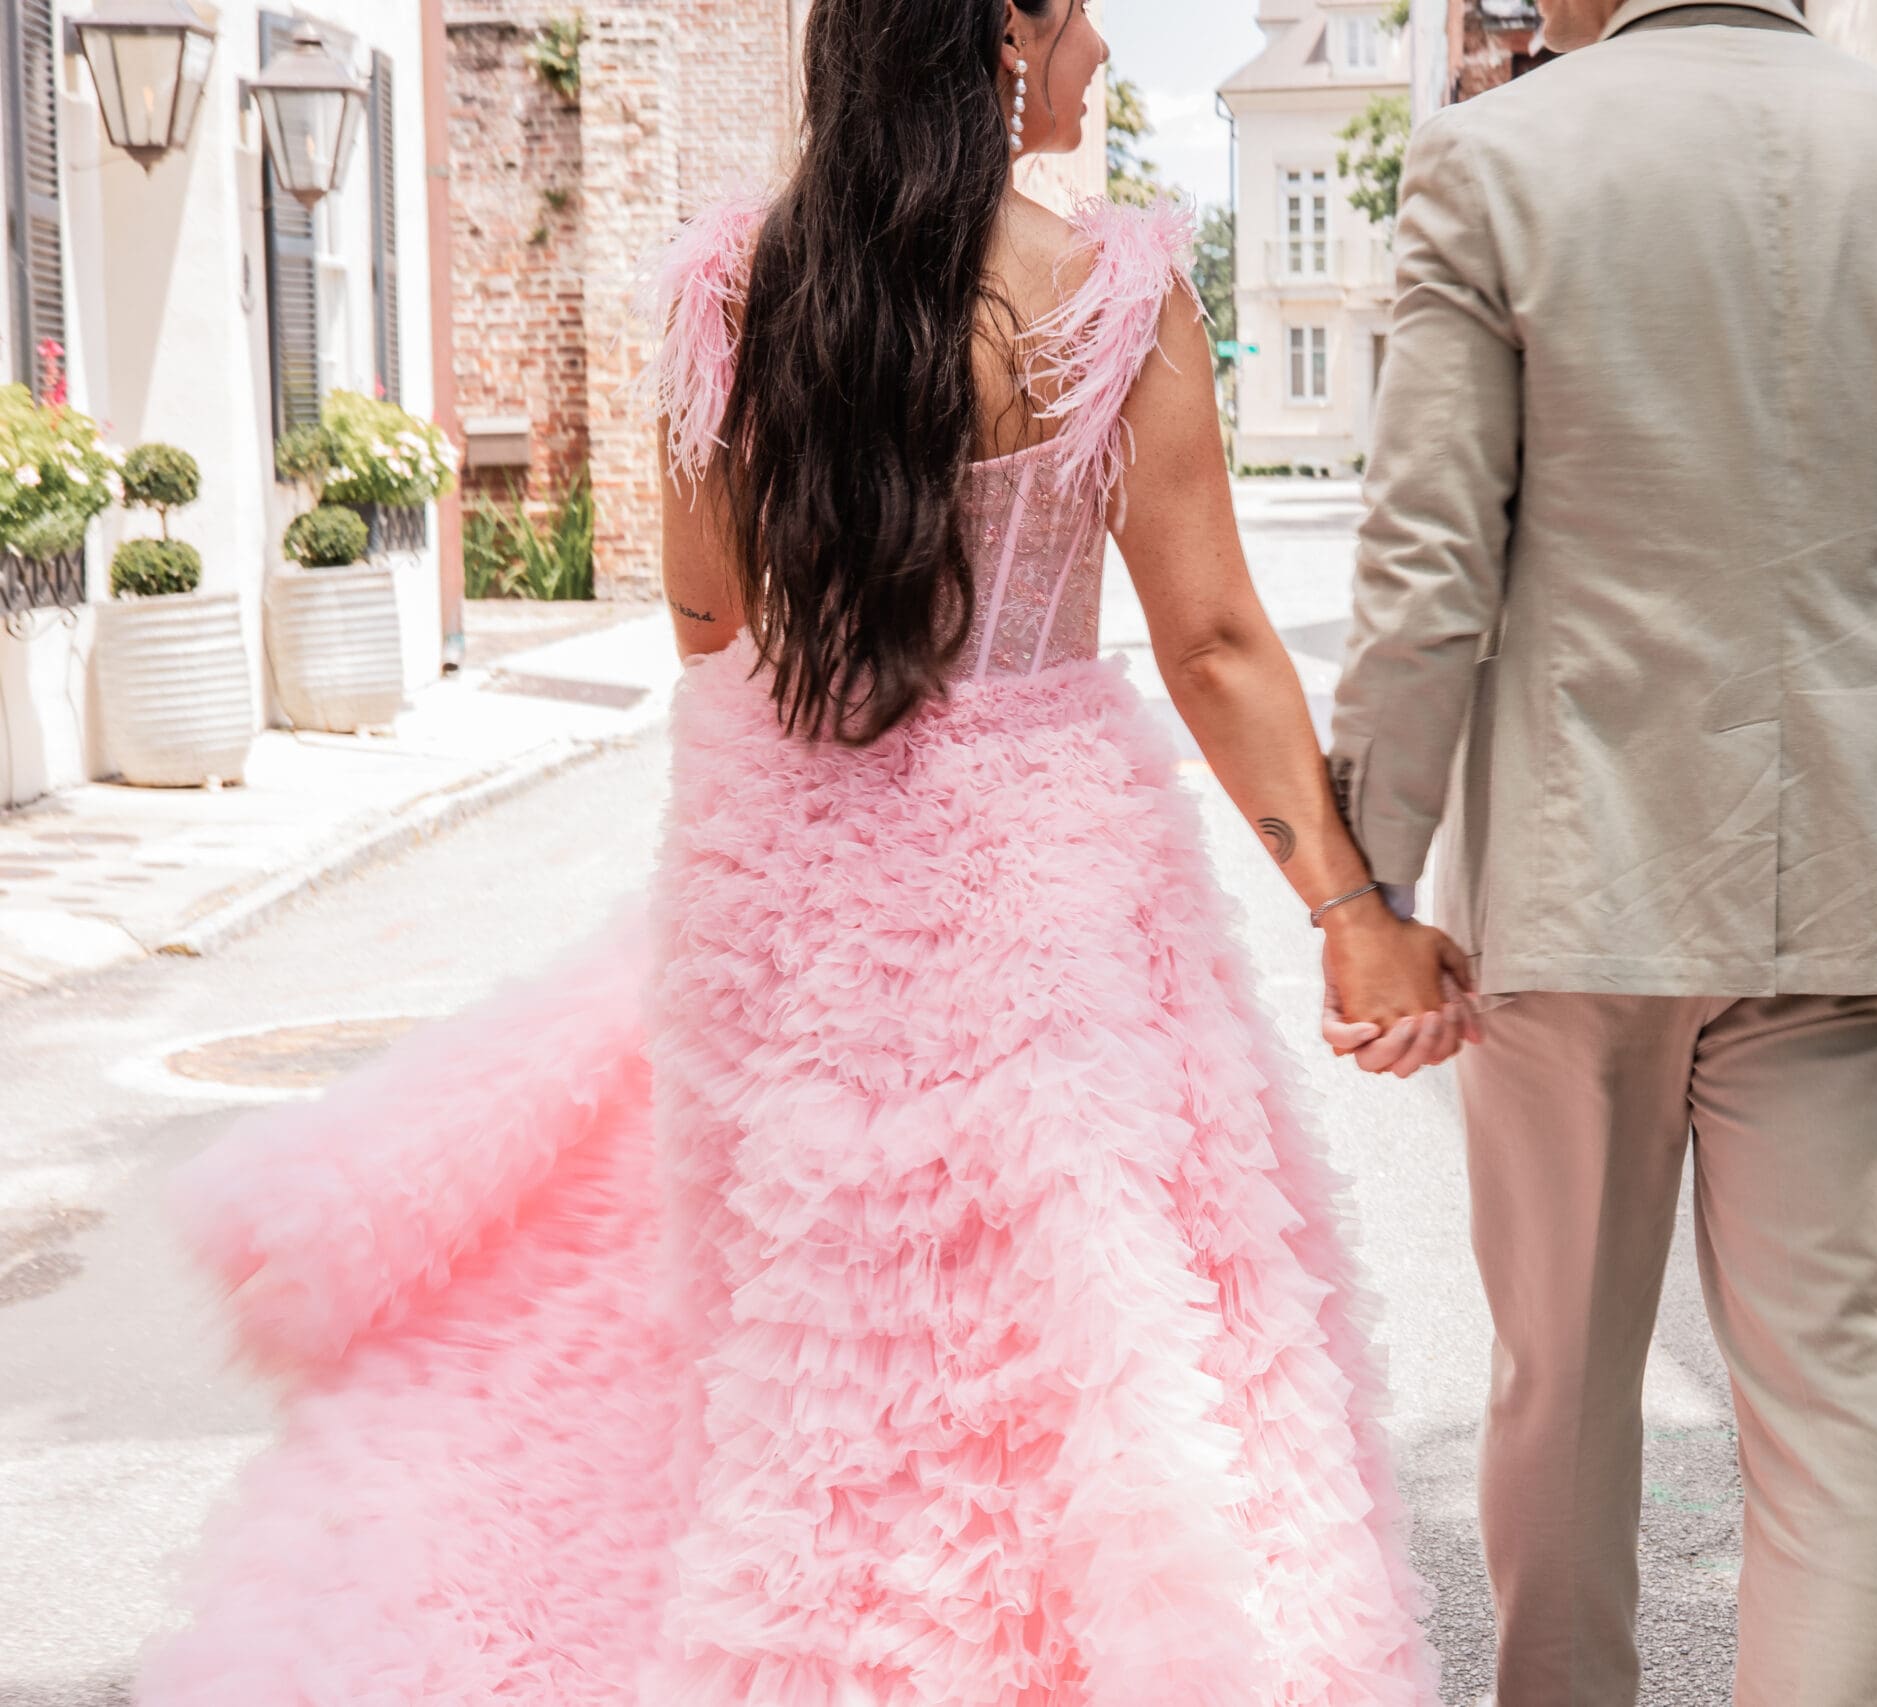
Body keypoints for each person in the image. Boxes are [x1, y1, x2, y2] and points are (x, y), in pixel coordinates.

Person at [137, 3, 1457, 1701]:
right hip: (1045, 885)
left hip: (790, 885)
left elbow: (706, 621)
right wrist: (1352, 912)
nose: (1104, 53)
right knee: (1075, 1333)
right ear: (997, 31)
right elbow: (1209, 643)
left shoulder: (729, 296)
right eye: (1075, 15)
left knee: (809, 1348)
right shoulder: (1109, 298)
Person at [1326, 1, 1877, 1702]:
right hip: (1859, 880)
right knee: (1835, 1434)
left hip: (1575, 887)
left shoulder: (1494, 159)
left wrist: (1371, 884)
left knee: (1563, 1389)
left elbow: (1427, 572)